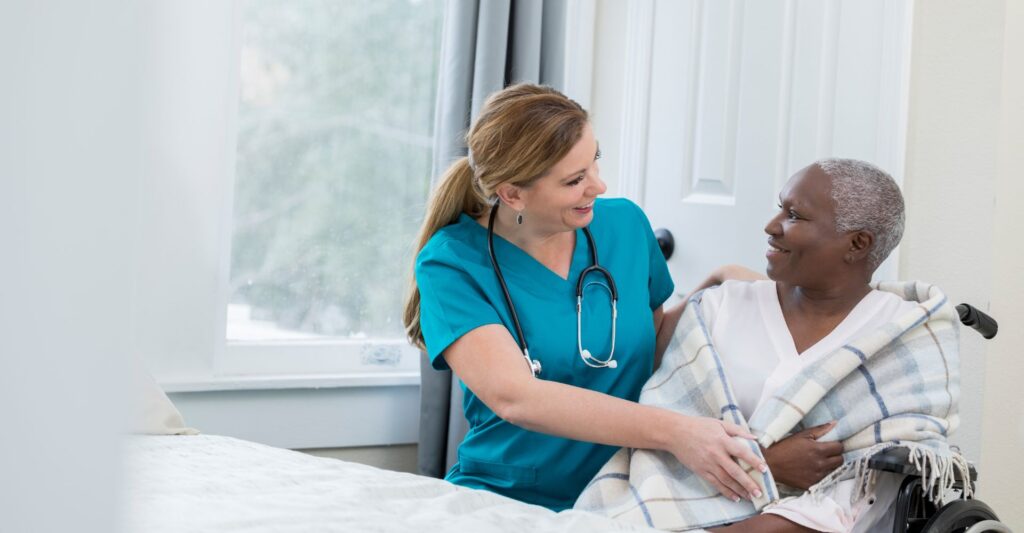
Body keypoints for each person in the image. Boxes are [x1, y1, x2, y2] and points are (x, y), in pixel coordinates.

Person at [403, 84, 835, 512]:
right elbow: (516, 397)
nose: (599, 185)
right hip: (512, 499)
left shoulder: (625, 225)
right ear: (512, 193)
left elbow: (648, 344)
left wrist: (715, 290)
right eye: (575, 180)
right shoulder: (452, 264)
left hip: (630, 492)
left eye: (595, 161)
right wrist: (678, 432)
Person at [577, 158, 961, 533]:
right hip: (682, 506)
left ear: (858, 244)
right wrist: (763, 463)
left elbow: (873, 490)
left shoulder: (905, 334)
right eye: (781, 208)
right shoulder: (719, 308)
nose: (772, 226)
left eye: (795, 215)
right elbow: (664, 434)